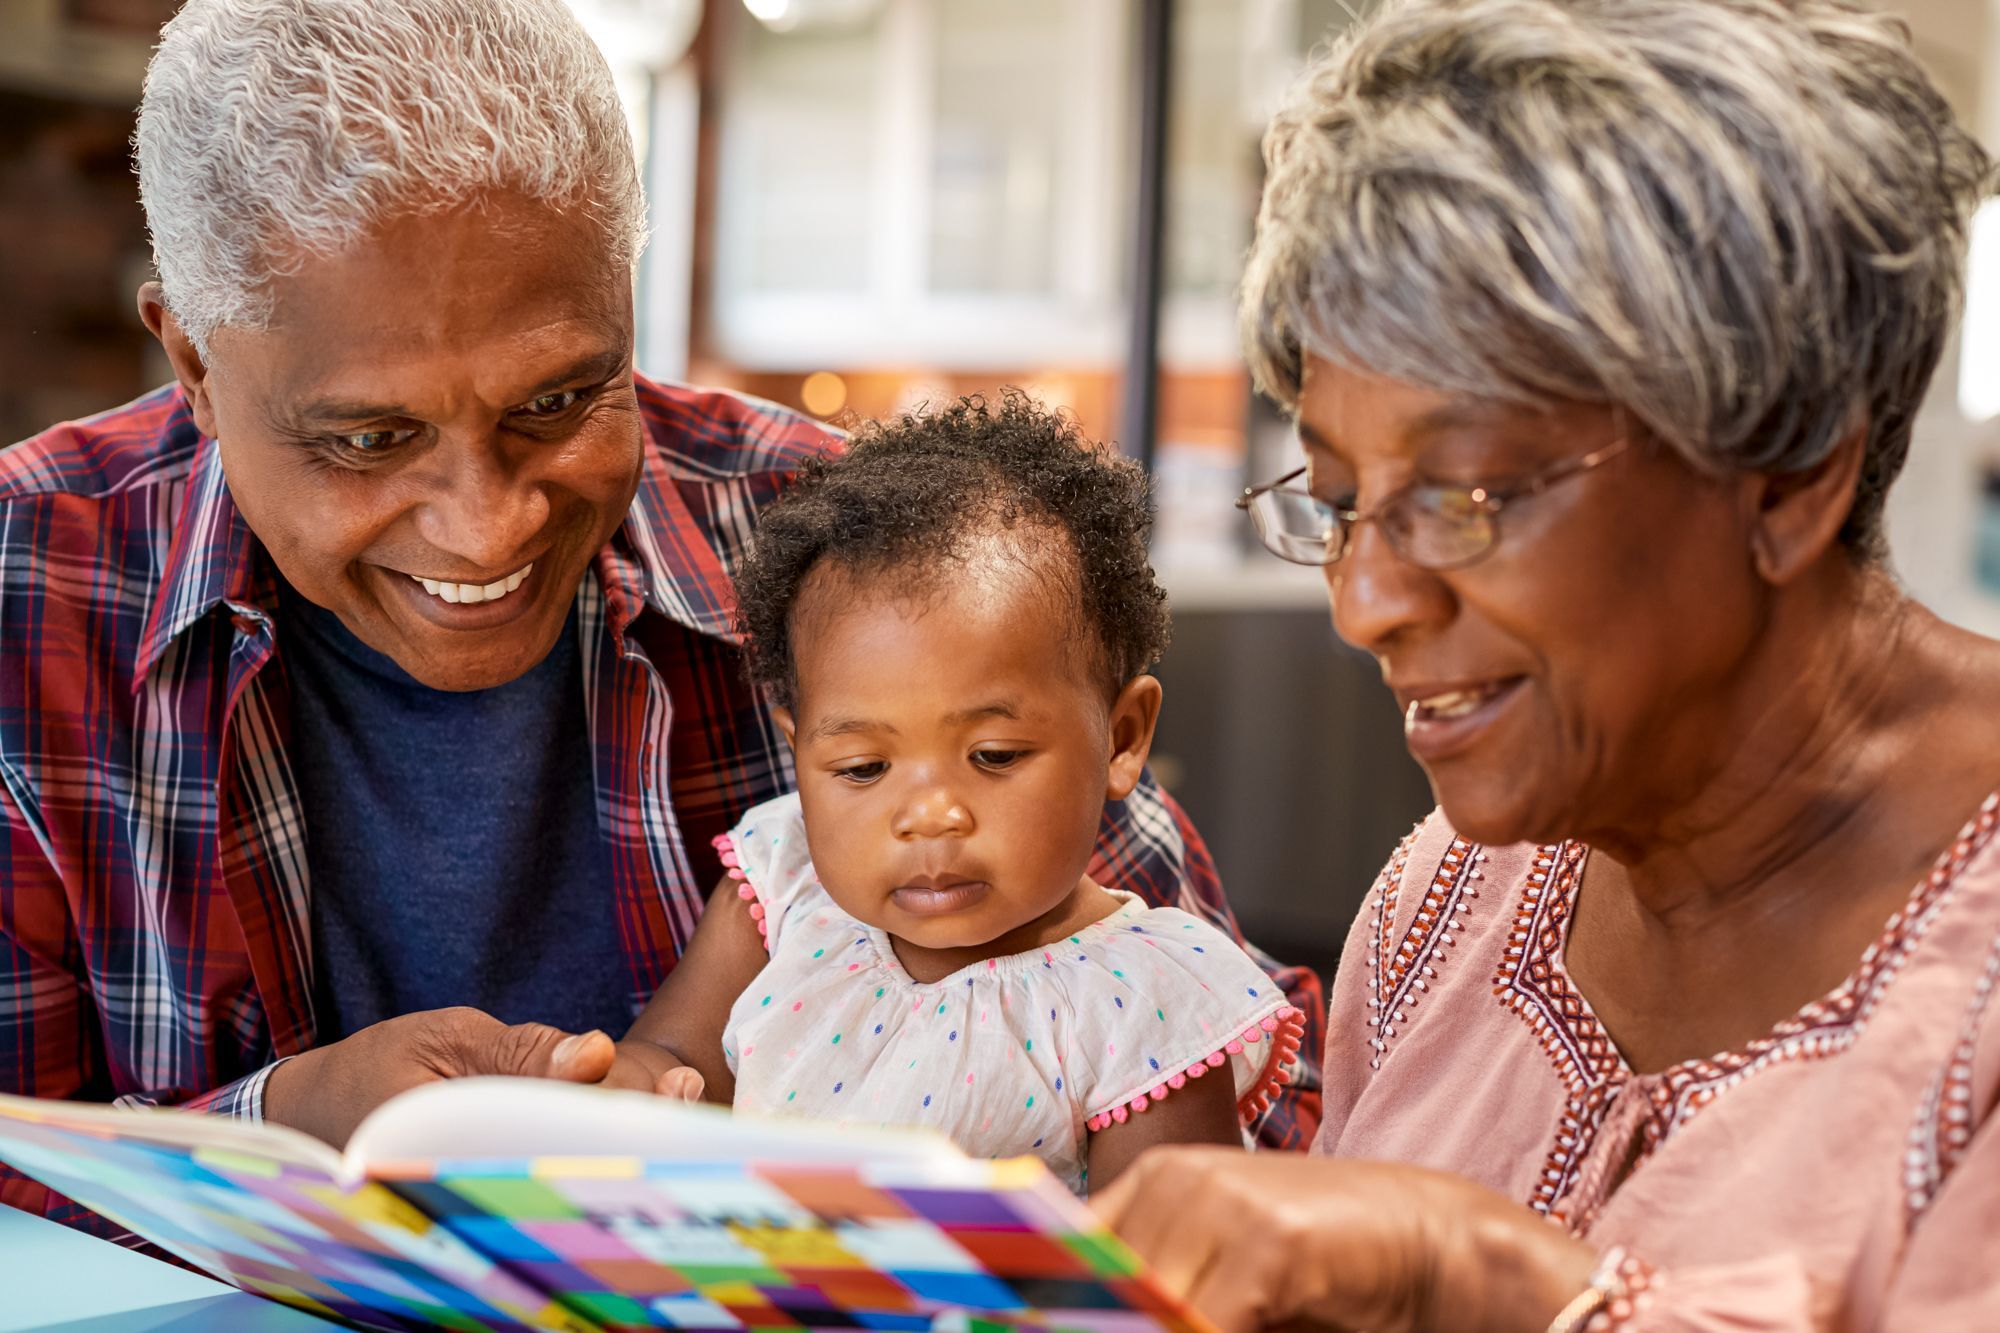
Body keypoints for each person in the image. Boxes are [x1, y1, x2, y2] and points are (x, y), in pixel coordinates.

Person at [0, 0, 1323, 1240]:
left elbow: (1251, 1088)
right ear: (193, 365)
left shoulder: (864, 559)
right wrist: (281, 1130)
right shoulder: (31, 581)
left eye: (561, 399)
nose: (487, 524)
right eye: (371, 436)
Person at [1096, 0, 1999, 1329]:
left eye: (1465, 497)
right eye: (1340, 504)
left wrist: (1479, 1270)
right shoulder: (1451, 903)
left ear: (1792, 473)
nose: (1368, 601)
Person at [604, 395, 1306, 1194]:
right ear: (797, 754)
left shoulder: (1144, 1004)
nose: (931, 813)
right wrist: (621, 1083)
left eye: (994, 754)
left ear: (1122, 737)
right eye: (864, 768)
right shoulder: (785, 886)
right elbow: (676, 1066)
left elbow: (1152, 1263)